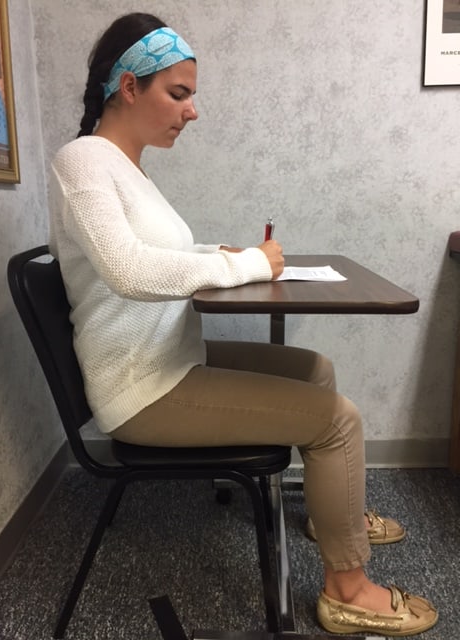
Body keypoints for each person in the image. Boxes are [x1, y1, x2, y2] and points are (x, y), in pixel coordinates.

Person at [48, 12, 438, 636]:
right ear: (129, 86)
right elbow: (127, 269)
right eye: (179, 93)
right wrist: (248, 264)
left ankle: (332, 515)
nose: (192, 111)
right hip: (142, 390)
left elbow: (160, 254)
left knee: (315, 369)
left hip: (171, 359)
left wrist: (221, 255)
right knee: (338, 421)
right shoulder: (83, 161)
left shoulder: (126, 167)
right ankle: (347, 591)